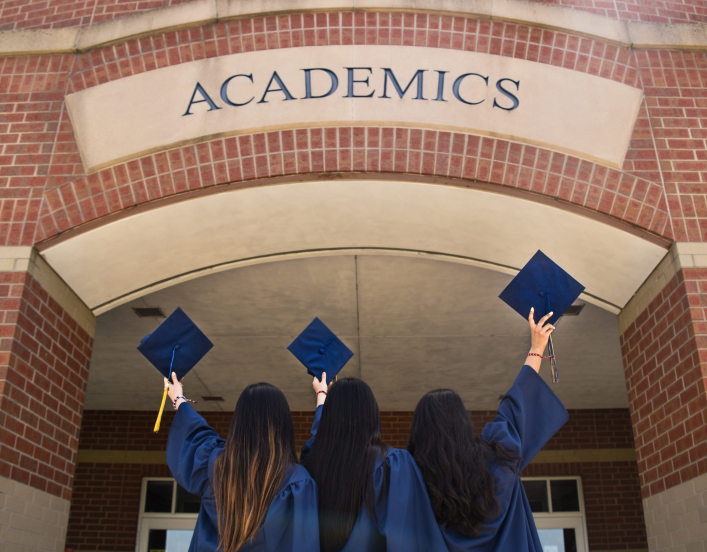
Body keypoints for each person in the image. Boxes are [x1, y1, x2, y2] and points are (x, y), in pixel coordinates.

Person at [407, 308, 569, 552]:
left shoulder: (410, 480)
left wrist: (325, 400)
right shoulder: (497, 457)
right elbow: (517, 405)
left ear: (420, 433)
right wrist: (537, 347)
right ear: (463, 422)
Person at [164, 376, 320, 552]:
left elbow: (194, 434)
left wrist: (178, 398)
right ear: (283, 424)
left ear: (239, 421)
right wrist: (321, 398)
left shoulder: (215, 466)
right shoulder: (297, 482)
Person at [301, 374, 448, 552]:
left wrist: (322, 396)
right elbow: (407, 538)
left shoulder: (311, 464)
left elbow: (317, 438)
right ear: (371, 414)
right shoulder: (392, 465)